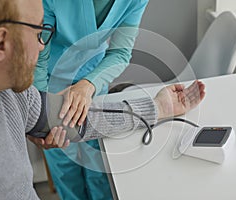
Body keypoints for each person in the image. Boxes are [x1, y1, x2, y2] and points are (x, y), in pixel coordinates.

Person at [0, 0, 205, 199]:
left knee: (99, 171)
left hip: (79, 87)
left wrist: (158, 107)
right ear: (1, 43)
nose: (43, 43)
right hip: (49, 86)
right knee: (67, 173)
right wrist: (40, 106)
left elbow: (90, 121)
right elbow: (41, 68)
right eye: (38, 33)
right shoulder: (21, 97)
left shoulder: (16, 99)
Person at [33, 0, 151, 199]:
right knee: (64, 164)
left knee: (98, 162)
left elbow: (120, 52)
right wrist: (42, 110)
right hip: (51, 84)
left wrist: (89, 85)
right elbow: (38, 56)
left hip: (94, 79)